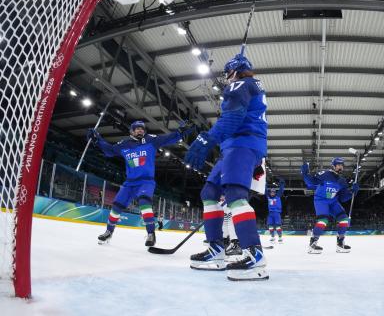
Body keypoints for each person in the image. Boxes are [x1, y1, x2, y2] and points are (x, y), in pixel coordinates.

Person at [184, 53, 268, 281]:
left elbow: (233, 118)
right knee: (209, 193)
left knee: (235, 195)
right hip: (235, 146)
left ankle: (255, 256)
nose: (226, 79)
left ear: (233, 72)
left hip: (243, 143)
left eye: (227, 74)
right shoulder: (251, 85)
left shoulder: (241, 84)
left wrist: (207, 139)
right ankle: (215, 250)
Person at [88, 120, 193, 246]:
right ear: (131, 131)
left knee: (144, 202)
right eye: (137, 128)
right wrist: (98, 140)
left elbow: (168, 138)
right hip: (129, 183)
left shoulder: (151, 140)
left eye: (142, 129)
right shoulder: (124, 144)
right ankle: (109, 232)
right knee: (116, 206)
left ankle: (150, 234)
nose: (140, 130)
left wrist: (180, 132)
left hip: (146, 181)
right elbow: (109, 150)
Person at [301, 157, 359, 254]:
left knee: (344, 219)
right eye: (338, 165)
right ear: (333, 166)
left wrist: (353, 191)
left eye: (342, 165)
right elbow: (311, 182)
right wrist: (305, 174)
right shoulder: (325, 174)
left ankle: (340, 243)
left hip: (333, 202)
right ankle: (312, 244)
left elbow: (343, 198)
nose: (341, 167)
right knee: (323, 221)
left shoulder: (342, 181)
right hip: (321, 200)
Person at [266, 179, 285, 244]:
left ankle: (280, 237)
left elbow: (281, 190)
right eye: (271, 192)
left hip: (277, 213)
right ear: (270, 192)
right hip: (270, 214)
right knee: (270, 226)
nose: (272, 193)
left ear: (275, 192)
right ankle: (272, 237)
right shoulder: (268, 196)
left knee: (278, 226)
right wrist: (265, 183)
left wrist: (281, 183)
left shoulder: (278, 196)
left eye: (273, 192)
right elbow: (265, 190)